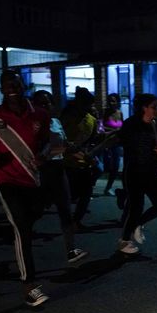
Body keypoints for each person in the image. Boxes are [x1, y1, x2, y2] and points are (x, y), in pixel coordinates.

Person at [0, 70, 51, 306]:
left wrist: (43, 155)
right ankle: (30, 286)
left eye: (15, 83)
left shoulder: (40, 113)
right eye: (7, 84)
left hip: (32, 178)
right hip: (6, 180)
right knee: (23, 230)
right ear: (1, 89)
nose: (12, 87)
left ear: (23, 84)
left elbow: (48, 141)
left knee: (31, 220)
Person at [32, 90, 89, 264]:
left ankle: (71, 250)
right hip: (41, 172)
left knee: (65, 209)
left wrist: (80, 154)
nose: (46, 106)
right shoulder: (33, 124)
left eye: (48, 103)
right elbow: (37, 152)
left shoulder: (56, 122)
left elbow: (63, 144)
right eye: (41, 104)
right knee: (34, 213)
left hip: (58, 169)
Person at [116, 93, 157, 254]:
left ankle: (138, 225)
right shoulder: (130, 124)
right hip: (134, 171)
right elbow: (126, 145)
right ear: (144, 107)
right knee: (135, 207)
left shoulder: (155, 123)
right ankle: (124, 241)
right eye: (154, 107)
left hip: (151, 170)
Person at [60, 87, 99, 230]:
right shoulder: (67, 117)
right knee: (69, 194)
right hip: (67, 162)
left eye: (89, 105)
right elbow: (58, 138)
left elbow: (92, 141)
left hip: (84, 162)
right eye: (84, 104)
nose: (87, 107)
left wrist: (91, 153)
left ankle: (76, 221)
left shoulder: (92, 120)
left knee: (86, 193)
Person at [102, 93, 124, 196]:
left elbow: (122, 127)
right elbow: (100, 128)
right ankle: (90, 184)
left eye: (114, 101)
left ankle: (108, 187)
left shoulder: (120, 113)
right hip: (107, 143)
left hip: (117, 143)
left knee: (115, 166)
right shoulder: (105, 113)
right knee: (105, 167)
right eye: (110, 100)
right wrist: (115, 130)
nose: (111, 103)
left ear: (118, 102)